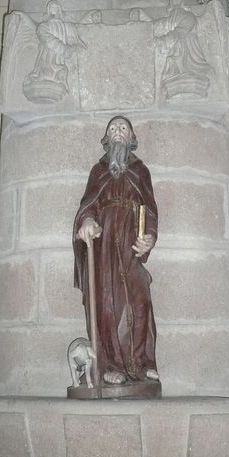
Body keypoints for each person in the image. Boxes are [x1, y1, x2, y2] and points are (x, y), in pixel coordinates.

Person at [73, 117, 159, 386]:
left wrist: (149, 237)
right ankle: (108, 366)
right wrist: (88, 220)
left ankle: (142, 364)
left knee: (140, 299)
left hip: (130, 243)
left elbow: (150, 209)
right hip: (104, 244)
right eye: (113, 129)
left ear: (131, 137)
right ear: (106, 139)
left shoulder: (141, 171)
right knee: (106, 304)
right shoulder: (98, 171)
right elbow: (88, 204)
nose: (118, 132)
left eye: (123, 128)